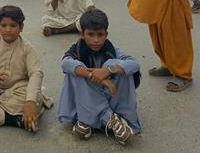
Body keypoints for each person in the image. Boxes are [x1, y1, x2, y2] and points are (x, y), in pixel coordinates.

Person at [58, 9, 141, 144]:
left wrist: (108, 70)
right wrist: (93, 75)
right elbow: (65, 64)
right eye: (90, 34)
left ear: (106, 34)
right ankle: (110, 120)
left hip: (110, 96)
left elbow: (134, 64)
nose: (96, 40)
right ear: (82, 35)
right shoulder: (77, 50)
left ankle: (89, 120)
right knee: (76, 69)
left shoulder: (113, 50)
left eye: (100, 34)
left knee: (119, 65)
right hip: (87, 96)